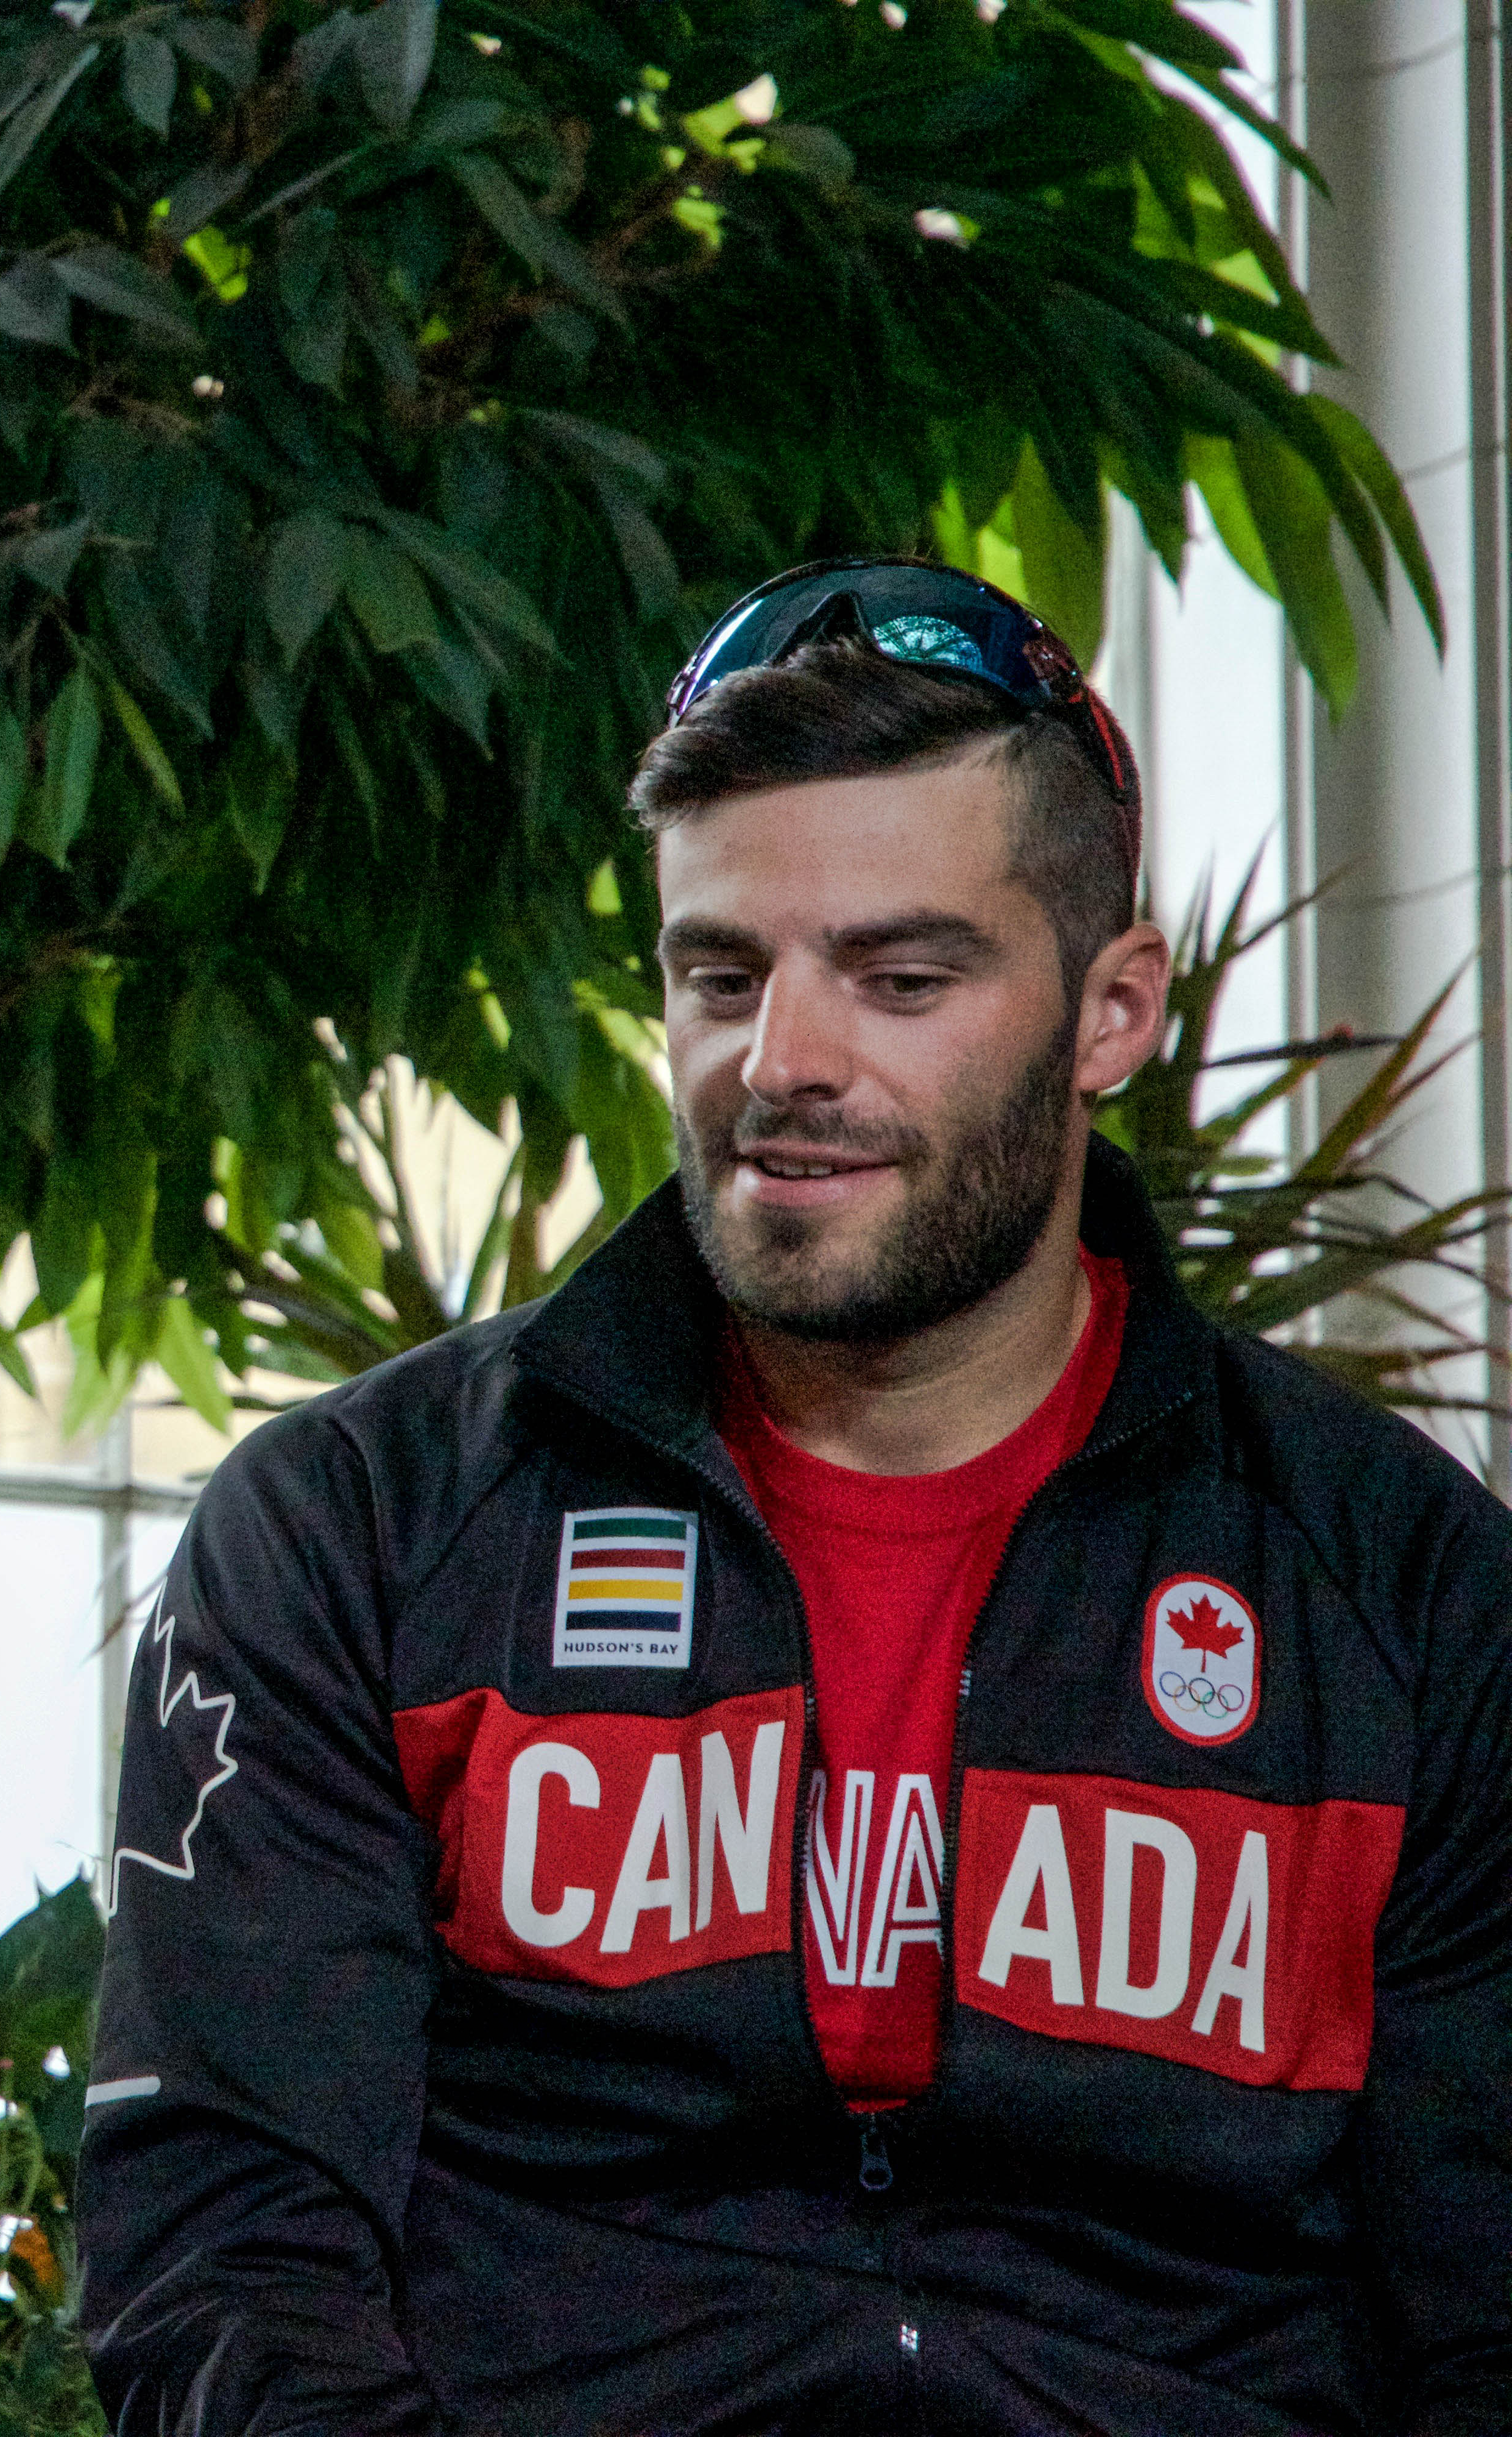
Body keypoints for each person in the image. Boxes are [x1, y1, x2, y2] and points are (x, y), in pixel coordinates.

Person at [78, 558, 1512, 2434]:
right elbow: (231, 2257)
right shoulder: (362, 1530)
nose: (785, 1065)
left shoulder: (1396, 1591)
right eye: (720, 975)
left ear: (1111, 1012)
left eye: (902, 978)